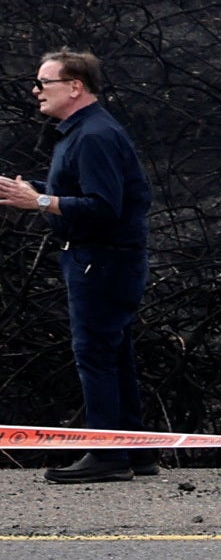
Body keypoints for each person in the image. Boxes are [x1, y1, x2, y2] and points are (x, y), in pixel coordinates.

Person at [10, 48, 155, 486]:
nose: (36, 91)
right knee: (115, 354)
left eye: (44, 83)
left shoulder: (93, 135)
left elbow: (104, 207)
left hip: (102, 260)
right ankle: (137, 451)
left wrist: (38, 201)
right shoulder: (80, 133)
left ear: (75, 87)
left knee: (94, 354)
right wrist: (35, 191)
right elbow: (81, 192)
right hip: (101, 258)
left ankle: (107, 454)